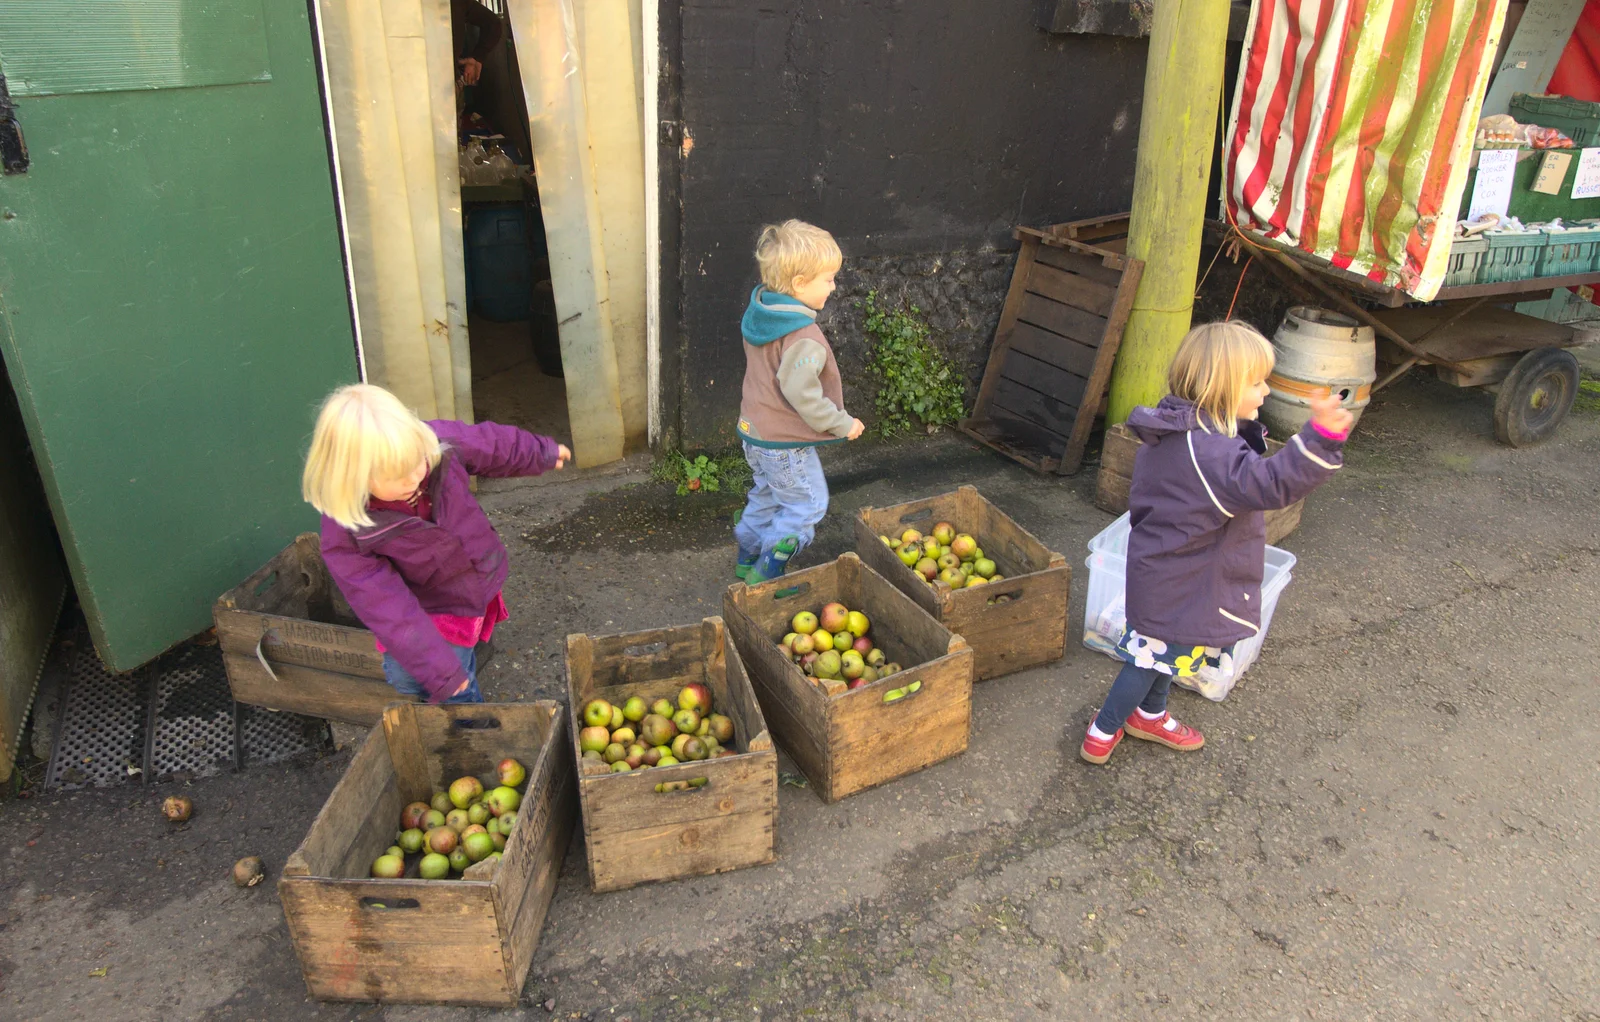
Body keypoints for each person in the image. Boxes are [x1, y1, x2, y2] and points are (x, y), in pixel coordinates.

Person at [1081, 321, 1353, 765]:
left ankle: (1150, 715)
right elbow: (1269, 484)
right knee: (1150, 660)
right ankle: (1103, 729)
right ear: (1222, 387)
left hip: (1173, 572)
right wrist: (1317, 439)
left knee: (1172, 651)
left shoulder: (1183, 432)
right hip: (1184, 579)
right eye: (1257, 381)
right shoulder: (1209, 452)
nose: (1265, 391)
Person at [302, 384, 569, 704]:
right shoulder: (348, 530)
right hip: (430, 602)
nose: (415, 476)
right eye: (397, 476)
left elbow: (492, 444)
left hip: (476, 568)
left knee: (457, 673)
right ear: (354, 478)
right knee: (422, 677)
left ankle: (472, 720)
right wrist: (439, 671)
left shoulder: (436, 445)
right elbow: (383, 602)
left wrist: (538, 453)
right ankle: (468, 718)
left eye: (417, 461)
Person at [734, 220, 865, 583]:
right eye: (828, 279)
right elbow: (804, 396)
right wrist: (843, 423)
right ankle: (766, 570)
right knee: (806, 504)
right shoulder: (802, 335)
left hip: (754, 431)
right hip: (784, 442)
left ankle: (747, 553)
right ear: (799, 284)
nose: (834, 286)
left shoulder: (761, 313)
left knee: (766, 494)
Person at [451, 0, 505, 87]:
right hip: (446, 82)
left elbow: (493, 24)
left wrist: (477, 56)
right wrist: (477, 57)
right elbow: (493, 24)